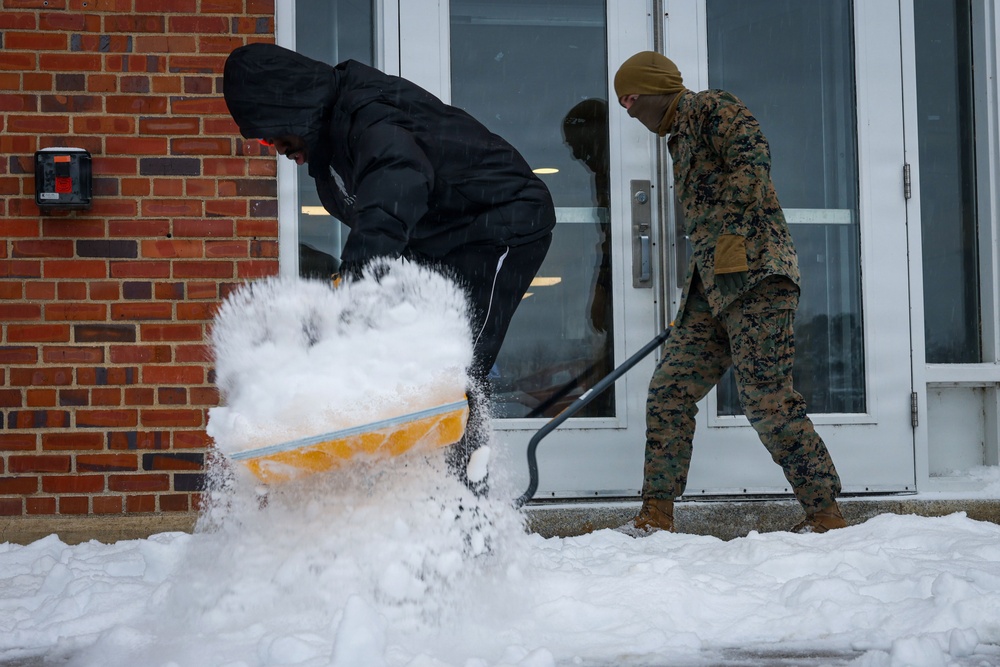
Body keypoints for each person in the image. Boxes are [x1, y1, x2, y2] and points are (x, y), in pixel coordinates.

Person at [223, 43, 556, 496]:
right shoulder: (330, 146)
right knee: (408, 359)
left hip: (499, 227)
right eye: (263, 142)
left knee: (457, 368)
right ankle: (404, 497)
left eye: (272, 135)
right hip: (441, 242)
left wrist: (358, 273)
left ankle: (465, 511)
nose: (276, 148)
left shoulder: (370, 116)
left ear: (292, 107)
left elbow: (396, 184)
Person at [613, 51, 846, 534]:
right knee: (669, 390)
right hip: (714, 288)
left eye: (631, 97)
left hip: (758, 276)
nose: (628, 109)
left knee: (765, 399)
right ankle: (655, 515)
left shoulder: (712, 107)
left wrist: (733, 238)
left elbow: (752, 159)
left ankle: (825, 513)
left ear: (655, 87)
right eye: (621, 102)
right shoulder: (679, 138)